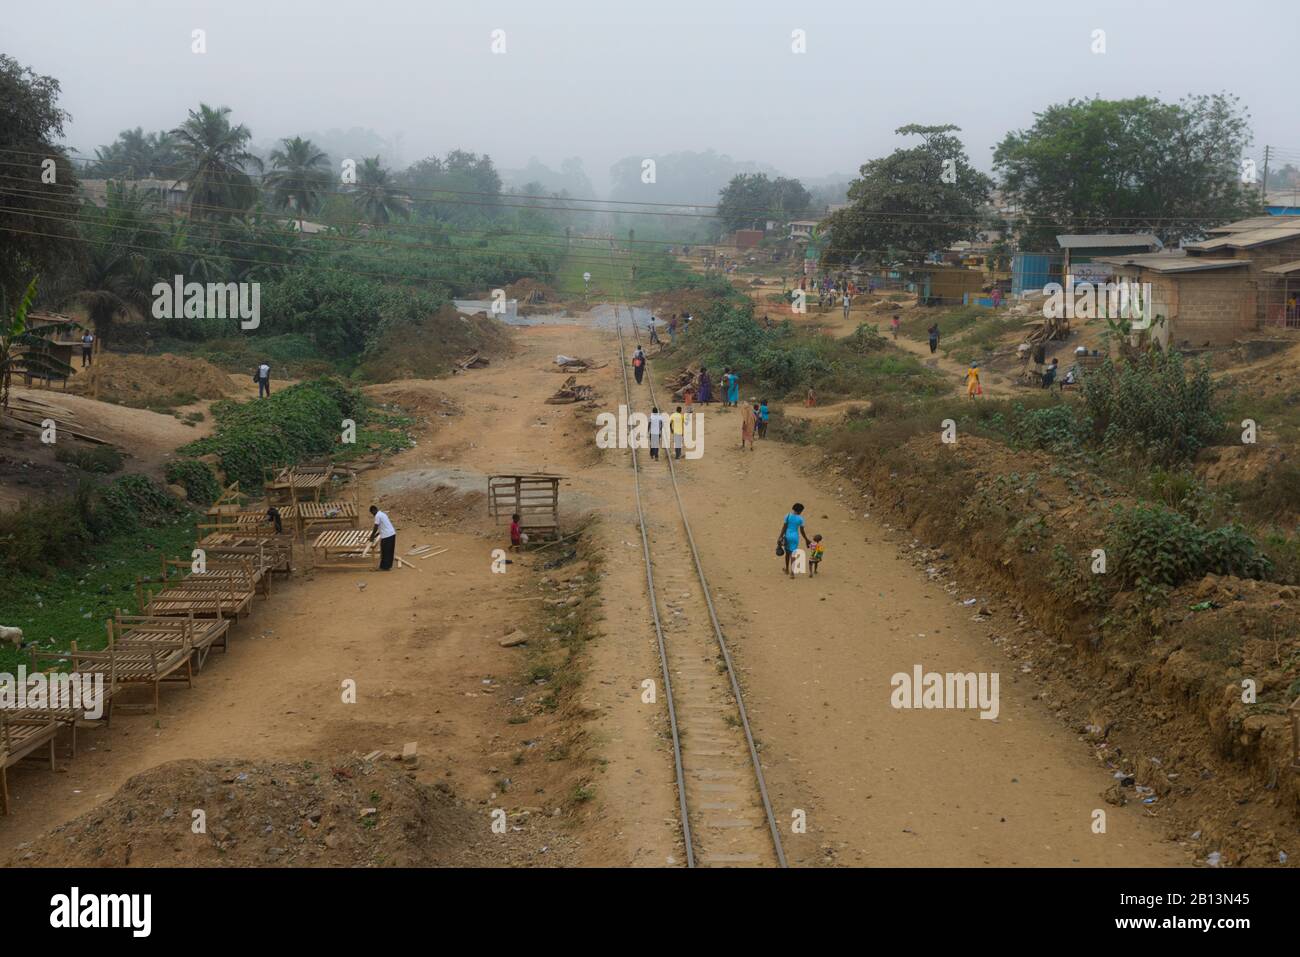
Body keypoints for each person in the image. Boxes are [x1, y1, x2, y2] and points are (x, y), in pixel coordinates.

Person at [777, 503, 813, 577]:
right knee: (793, 554)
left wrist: (780, 537)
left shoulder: (788, 516)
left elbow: (784, 527)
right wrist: (806, 539)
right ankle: (792, 573)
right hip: (795, 537)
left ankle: (787, 569)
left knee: (787, 554)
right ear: (800, 511)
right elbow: (802, 531)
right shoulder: (800, 519)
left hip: (787, 536)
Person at [369, 505, 397, 570]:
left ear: (374, 510)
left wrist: (372, 536)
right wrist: (375, 535)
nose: (372, 514)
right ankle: (388, 566)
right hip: (392, 534)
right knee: (389, 551)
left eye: (372, 513)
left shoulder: (377, 516)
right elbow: (383, 527)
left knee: (385, 551)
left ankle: (383, 567)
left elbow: (376, 526)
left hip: (387, 536)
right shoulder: (382, 514)